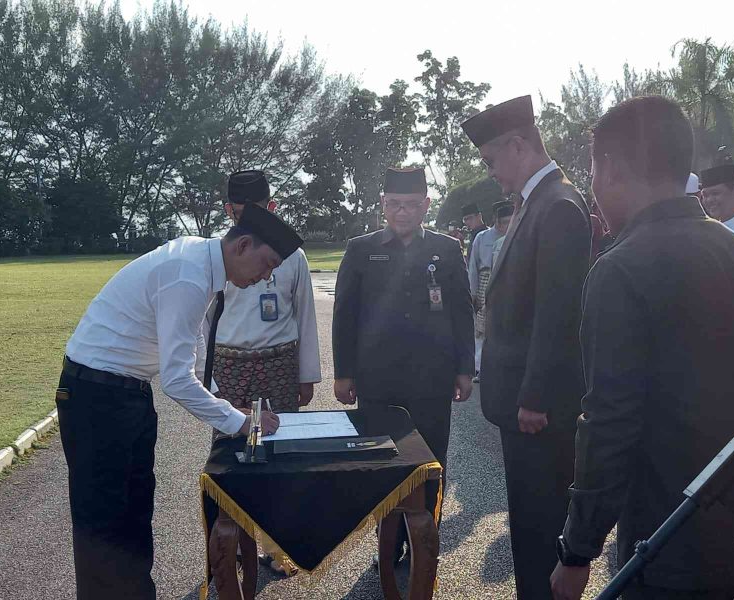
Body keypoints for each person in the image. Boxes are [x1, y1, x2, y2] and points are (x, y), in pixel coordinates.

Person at [550, 96, 734, 600]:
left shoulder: (619, 270)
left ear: (612, 169)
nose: (594, 191)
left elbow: (609, 423)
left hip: (664, 535)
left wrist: (577, 552)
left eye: (593, 174)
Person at [57, 202, 302, 599]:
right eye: (268, 262)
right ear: (242, 245)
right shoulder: (189, 274)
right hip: (95, 397)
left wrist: (223, 399)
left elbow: (195, 342)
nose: (266, 276)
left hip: (125, 393)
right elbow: (176, 379)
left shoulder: (201, 260)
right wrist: (239, 422)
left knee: (134, 517)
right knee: (103, 525)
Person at [461, 94, 592, 599]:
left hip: (536, 408)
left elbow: (557, 314)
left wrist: (535, 396)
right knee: (529, 523)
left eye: (491, 159)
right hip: (521, 403)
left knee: (540, 524)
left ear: (518, 145)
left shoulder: (557, 204)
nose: (490, 172)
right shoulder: (536, 202)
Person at [332, 166, 474, 564]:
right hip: (378, 376)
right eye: (394, 204)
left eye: (411, 205)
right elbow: (345, 313)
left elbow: (462, 312)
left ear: (426, 205)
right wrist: (344, 372)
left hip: (433, 375)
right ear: (382, 205)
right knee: (382, 457)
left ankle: (425, 539)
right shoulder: (362, 248)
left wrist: (465, 368)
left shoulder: (446, 249)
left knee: (431, 458)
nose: (402, 212)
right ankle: (388, 542)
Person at [211, 169, 321, 577]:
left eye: (258, 210)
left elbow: (305, 315)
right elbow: (203, 325)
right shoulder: (218, 253)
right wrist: (211, 384)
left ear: (271, 207)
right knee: (232, 458)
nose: (250, 219)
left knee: (281, 456)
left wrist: (306, 374)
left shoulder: (292, 254)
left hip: (279, 364)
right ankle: (234, 542)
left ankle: (279, 546)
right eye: (241, 212)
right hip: (230, 367)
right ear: (229, 211)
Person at [468, 200, 514, 382]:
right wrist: (472, 292)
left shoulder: (517, 236)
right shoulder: (482, 237)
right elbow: (473, 266)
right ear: (496, 221)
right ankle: (479, 368)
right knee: (481, 327)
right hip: (484, 281)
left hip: (508, 282)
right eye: (504, 222)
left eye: (511, 221)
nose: (507, 226)